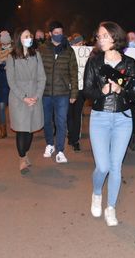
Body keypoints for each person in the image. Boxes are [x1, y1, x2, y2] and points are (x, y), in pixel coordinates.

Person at [83, 21, 135, 226]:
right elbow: (86, 90)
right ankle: (97, 192)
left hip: (123, 119)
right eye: (99, 36)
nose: (101, 39)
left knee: (116, 167)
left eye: (105, 35)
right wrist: (103, 92)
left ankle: (111, 207)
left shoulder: (129, 63)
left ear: (115, 37)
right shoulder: (94, 62)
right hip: (100, 118)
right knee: (103, 166)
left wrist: (120, 90)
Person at [6, 28, 46, 174]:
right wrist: (23, 97)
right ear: (19, 39)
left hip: (34, 96)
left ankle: (25, 153)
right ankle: (22, 158)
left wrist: (37, 95)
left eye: (30, 36)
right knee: (21, 130)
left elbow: (42, 77)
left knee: (30, 130)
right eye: (26, 36)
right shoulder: (12, 57)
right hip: (19, 99)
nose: (30, 38)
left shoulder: (36, 55)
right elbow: (11, 80)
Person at [38, 21, 79, 163]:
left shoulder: (68, 50)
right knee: (47, 121)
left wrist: (74, 93)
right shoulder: (42, 49)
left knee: (61, 121)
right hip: (45, 93)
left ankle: (60, 150)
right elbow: (36, 71)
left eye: (60, 33)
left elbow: (74, 72)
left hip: (62, 93)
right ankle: (50, 144)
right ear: (49, 34)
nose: (58, 36)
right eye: (55, 33)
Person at [67, 33, 87, 152]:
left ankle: (75, 140)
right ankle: (71, 134)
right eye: (78, 44)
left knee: (77, 114)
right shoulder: (67, 53)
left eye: (82, 44)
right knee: (69, 114)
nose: (81, 46)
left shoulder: (85, 55)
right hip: (68, 89)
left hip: (80, 89)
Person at [126, 31, 135, 151]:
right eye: (129, 38)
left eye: (133, 38)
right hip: (124, 89)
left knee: (134, 115)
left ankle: (133, 140)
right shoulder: (121, 52)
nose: (131, 40)